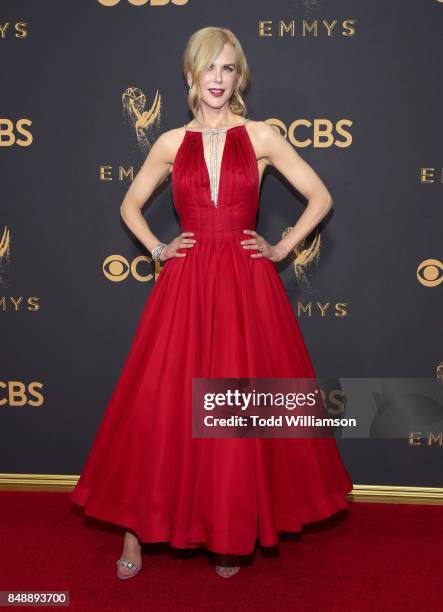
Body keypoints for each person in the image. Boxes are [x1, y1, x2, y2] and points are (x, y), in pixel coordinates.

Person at [71, 26, 353, 580]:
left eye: (228, 69)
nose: (218, 79)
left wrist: (281, 247)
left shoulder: (264, 136)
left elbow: (321, 196)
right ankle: (134, 528)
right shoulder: (171, 143)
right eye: (209, 68)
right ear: (191, 75)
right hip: (187, 283)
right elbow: (129, 205)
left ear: (239, 75)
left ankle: (230, 528)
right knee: (160, 406)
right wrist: (158, 248)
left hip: (247, 285)